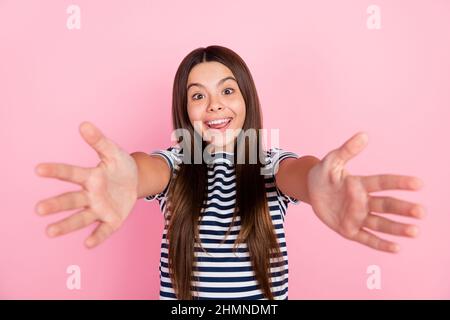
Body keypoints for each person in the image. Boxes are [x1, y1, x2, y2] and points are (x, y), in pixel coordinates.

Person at [34, 45, 425, 300]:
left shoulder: (270, 164)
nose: (214, 106)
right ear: (185, 110)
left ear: (246, 99)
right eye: (198, 95)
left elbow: (300, 174)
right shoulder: (177, 164)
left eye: (227, 90)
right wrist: (129, 176)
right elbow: (146, 170)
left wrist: (316, 181)